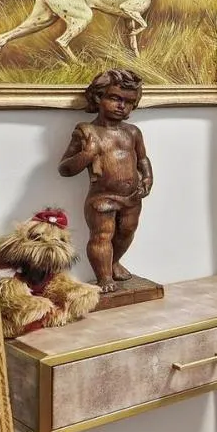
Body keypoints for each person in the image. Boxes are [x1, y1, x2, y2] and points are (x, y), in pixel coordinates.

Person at [58, 69, 151, 292]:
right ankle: (104, 277)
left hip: (132, 196)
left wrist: (148, 177)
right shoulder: (86, 131)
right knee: (102, 236)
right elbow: (65, 169)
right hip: (102, 198)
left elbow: (142, 159)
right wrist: (87, 154)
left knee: (127, 232)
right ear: (99, 97)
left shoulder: (133, 132)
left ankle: (114, 262)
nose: (122, 106)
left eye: (129, 102)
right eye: (115, 98)